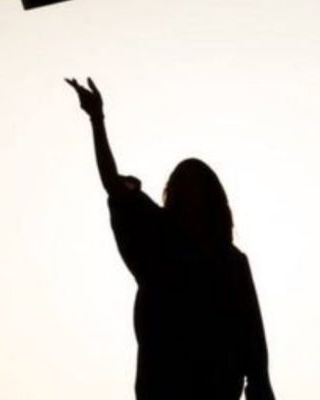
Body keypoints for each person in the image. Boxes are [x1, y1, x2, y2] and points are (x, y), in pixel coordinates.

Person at [66, 77, 276, 400]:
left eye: (195, 187)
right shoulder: (160, 237)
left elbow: (254, 351)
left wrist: (261, 389)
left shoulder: (232, 263)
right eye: (183, 186)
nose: (190, 195)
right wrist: (97, 120)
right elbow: (114, 185)